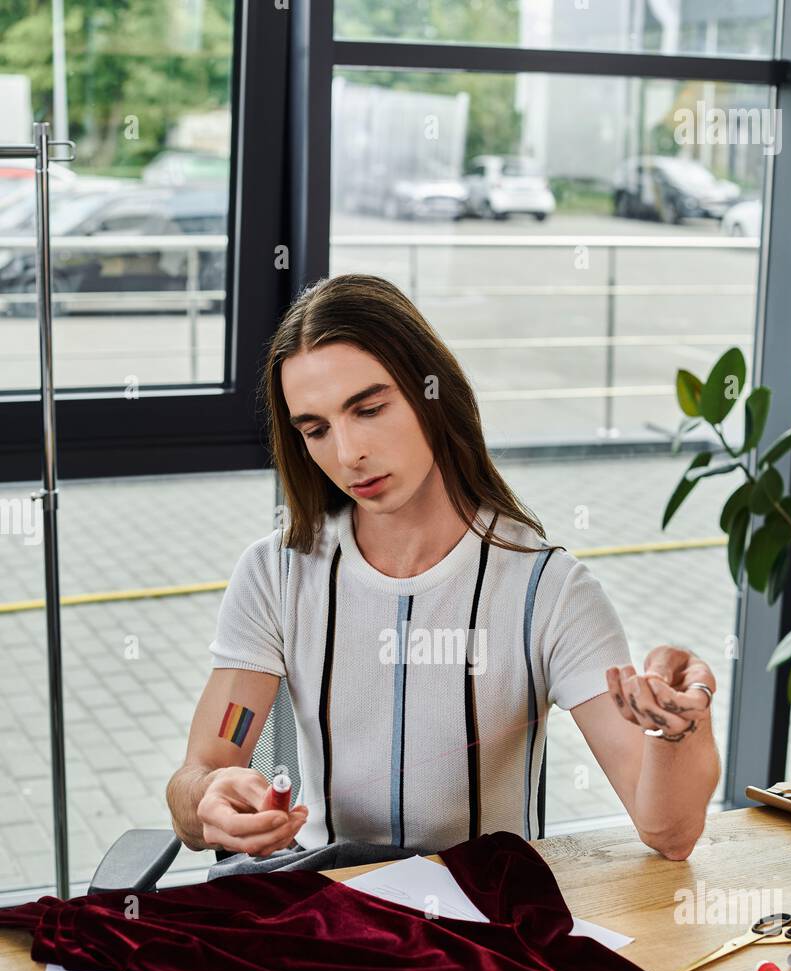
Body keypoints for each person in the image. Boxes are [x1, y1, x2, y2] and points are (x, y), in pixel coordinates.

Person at [166, 273, 720, 869]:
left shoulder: (549, 591)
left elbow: (670, 833)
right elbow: (205, 766)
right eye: (316, 430)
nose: (347, 453)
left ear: (432, 394)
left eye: (370, 409)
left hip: (487, 929)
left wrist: (677, 729)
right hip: (336, 917)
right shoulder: (274, 575)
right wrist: (206, 798)